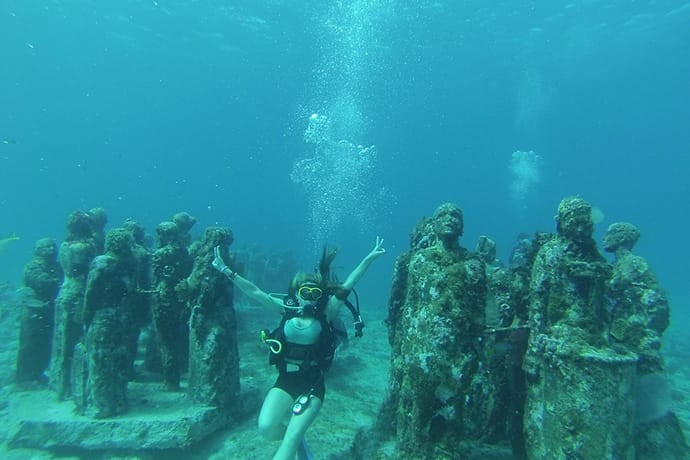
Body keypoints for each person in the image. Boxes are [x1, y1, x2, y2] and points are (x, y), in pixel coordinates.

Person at [212, 237, 385, 460]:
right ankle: (296, 443)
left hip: (312, 385)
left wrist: (369, 258)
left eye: (316, 295)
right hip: (285, 380)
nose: (311, 299)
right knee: (266, 428)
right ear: (297, 294)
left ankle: (293, 442)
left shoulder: (326, 314)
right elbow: (254, 292)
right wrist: (226, 270)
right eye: (306, 293)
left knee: (289, 443)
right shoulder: (285, 310)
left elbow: (349, 283)